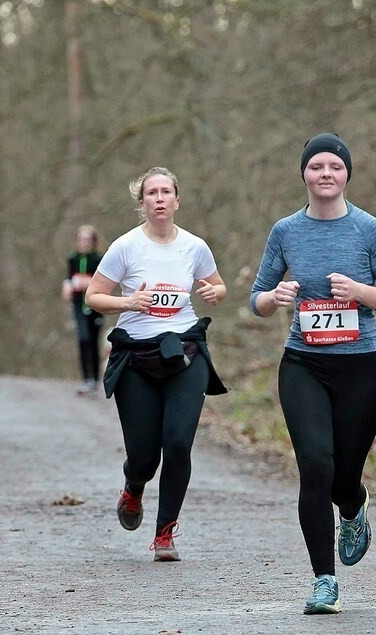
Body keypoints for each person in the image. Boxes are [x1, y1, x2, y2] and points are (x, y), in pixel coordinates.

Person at [249, 133, 376, 614]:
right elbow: (256, 299)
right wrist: (273, 299)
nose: (325, 174)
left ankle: (354, 506)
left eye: (334, 167)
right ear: (304, 174)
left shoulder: (368, 229)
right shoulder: (285, 231)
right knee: (315, 467)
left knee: (343, 474)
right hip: (303, 363)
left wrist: (362, 292)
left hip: (361, 364)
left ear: (346, 175)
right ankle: (324, 582)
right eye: (316, 166)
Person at [85, 167, 227, 562]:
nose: (160, 198)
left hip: (184, 353)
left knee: (178, 443)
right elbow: (94, 296)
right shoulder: (125, 247)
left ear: (177, 201)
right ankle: (134, 485)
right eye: (152, 193)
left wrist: (214, 291)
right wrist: (128, 303)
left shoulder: (195, 247)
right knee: (145, 455)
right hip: (136, 358)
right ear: (142, 202)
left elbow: (218, 284)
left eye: (167, 192)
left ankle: (165, 535)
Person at [61, 225, 106, 395]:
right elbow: (68, 278)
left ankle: (95, 378)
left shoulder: (99, 259)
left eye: (87, 240)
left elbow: (103, 282)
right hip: (79, 306)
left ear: (94, 242)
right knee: (83, 339)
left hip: (95, 307)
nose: (84, 243)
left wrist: (87, 283)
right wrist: (67, 286)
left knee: (93, 341)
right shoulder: (73, 258)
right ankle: (86, 378)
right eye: (81, 240)